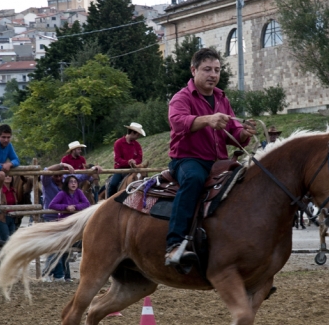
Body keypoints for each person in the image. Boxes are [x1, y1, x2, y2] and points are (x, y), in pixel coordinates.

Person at [165, 47, 257, 267]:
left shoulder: (221, 98)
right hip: (188, 159)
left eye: (217, 70)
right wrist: (207, 120)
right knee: (194, 179)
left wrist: (243, 133)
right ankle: (174, 243)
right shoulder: (181, 98)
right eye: (207, 69)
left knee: (248, 181)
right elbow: (178, 122)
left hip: (219, 162)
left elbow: (232, 134)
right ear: (193, 70)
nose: (213, 75)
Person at [48, 175, 91, 281]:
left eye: (75, 182)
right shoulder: (62, 194)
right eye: (71, 182)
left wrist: (76, 207)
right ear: (67, 184)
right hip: (64, 224)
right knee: (63, 250)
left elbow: (87, 203)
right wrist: (65, 207)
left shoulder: (79, 193)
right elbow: (52, 205)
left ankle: (66, 276)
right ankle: (61, 275)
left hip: (75, 224)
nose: (73, 184)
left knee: (67, 250)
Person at [40, 161, 74, 282]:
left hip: (64, 218)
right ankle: (49, 273)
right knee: (54, 246)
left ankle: (62, 275)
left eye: (60, 176)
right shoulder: (47, 184)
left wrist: (93, 170)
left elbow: (79, 177)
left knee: (64, 246)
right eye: (56, 176)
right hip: (51, 218)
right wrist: (62, 165)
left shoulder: (66, 185)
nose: (58, 178)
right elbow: (45, 171)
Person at [107, 122, 146, 199]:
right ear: (132, 133)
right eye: (137, 134)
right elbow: (117, 159)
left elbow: (139, 158)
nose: (138, 137)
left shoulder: (137, 145)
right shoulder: (118, 143)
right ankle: (109, 201)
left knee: (144, 181)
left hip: (134, 169)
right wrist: (128, 162)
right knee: (113, 184)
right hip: (120, 169)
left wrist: (135, 162)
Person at [0, 175, 18, 243]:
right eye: (5, 176)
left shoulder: (13, 190)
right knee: (6, 241)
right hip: (2, 218)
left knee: (12, 241)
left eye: (10, 176)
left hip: (12, 217)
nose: (8, 177)